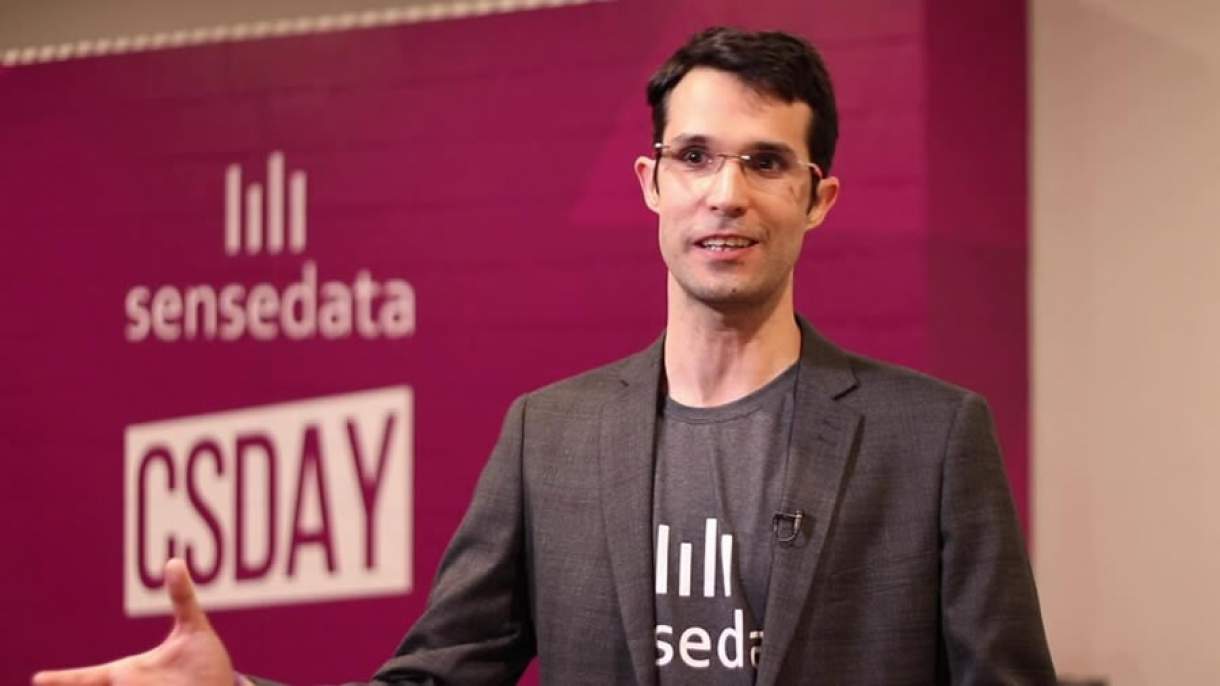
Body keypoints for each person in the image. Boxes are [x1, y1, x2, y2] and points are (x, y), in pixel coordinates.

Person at [33, 27, 1055, 686]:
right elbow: (438, 677)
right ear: (650, 182)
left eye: (765, 162)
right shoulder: (549, 435)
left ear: (815, 197)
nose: (725, 194)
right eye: (695, 157)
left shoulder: (931, 437)